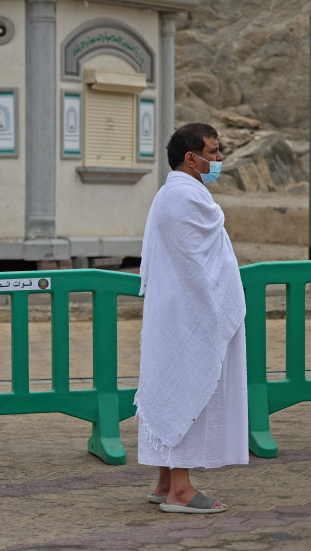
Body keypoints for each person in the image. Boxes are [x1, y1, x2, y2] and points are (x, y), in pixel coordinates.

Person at [135, 123, 247, 514]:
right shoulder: (185, 198)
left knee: (176, 385)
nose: (218, 159)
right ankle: (180, 490)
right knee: (190, 388)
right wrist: (216, 309)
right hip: (188, 315)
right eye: (213, 152)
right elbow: (199, 268)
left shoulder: (174, 194)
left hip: (174, 313)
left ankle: (167, 480)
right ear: (191, 158)